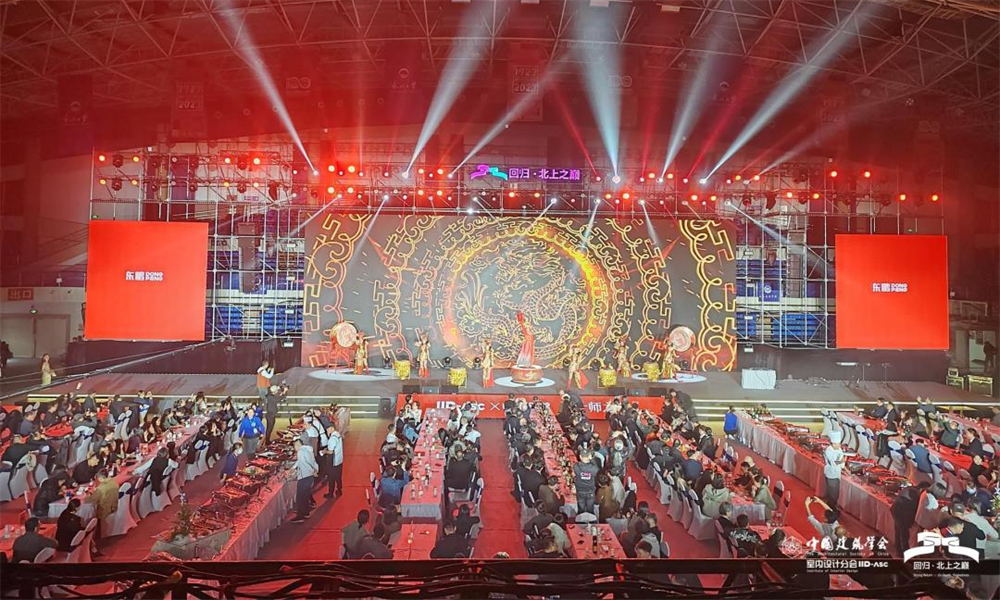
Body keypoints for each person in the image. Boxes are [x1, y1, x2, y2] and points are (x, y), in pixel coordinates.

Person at [291, 438, 318, 523]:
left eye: (294, 446)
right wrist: (293, 468)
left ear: (297, 445)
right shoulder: (308, 450)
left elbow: (304, 463)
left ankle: (300, 516)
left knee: (300, 497)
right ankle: (306, 512)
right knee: (305, 496)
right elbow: (307, 461)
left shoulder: (301, 452)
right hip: (309, 477)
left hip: (304, 477)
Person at [823, 431, 845, 508]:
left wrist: (843, 464)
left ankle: (832, 506)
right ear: (833, 444)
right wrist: (842, 461)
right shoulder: (828, 451)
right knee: (832, 493)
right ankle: (831, 508)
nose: (839, 445)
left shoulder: (839, 449)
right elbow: (834, 463)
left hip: (837, 473)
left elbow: (841, 460)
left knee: (836, 493)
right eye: (838, 444)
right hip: (831, 474)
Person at [573, 451, 600, 515]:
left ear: (580, 456)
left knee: (581, 510)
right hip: (590, 491)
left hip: (580, 491)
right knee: (590, 510)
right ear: (589, 456)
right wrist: (592, 459)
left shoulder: (576, 466)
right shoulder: (594, 468)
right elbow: (597, 469)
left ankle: (581, 519)